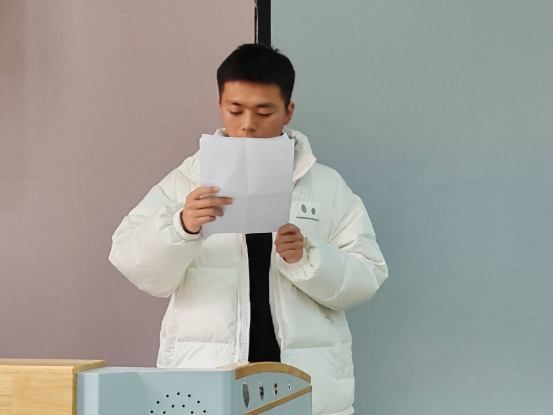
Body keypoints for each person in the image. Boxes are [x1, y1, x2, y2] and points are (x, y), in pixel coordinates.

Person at [109, 43, 388, 415]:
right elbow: (130, 261)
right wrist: (182, 226)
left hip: (307, 387)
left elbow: (367, 276)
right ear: (220, 105)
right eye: (235, 110)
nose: (247, 124)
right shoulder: (186, 181)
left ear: (288, 111)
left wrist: (308, 257)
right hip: (207, 383)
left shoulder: (326, 186)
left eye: (264, 111)